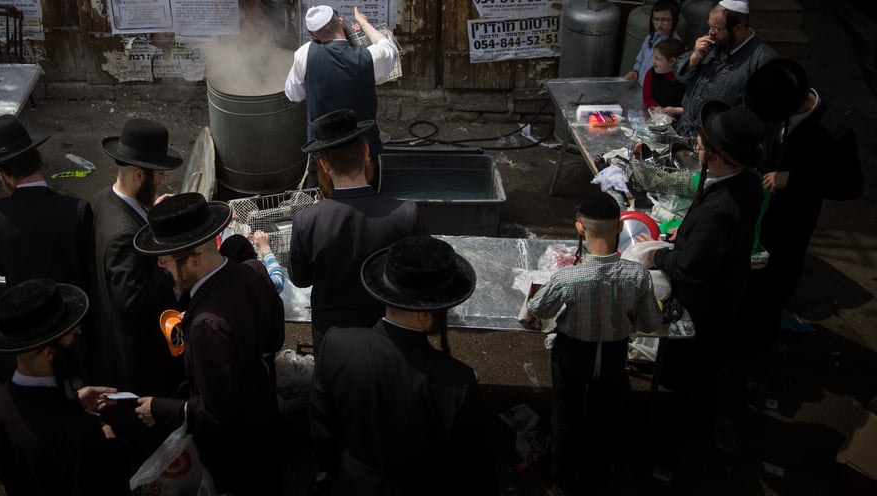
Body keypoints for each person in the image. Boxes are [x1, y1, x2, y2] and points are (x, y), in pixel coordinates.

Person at [310, 235, 497, 495]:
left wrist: (338, 468)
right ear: (425, 314)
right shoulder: (457, 381)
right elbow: (470, 467)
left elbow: (323, 429)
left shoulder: (336, 345)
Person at [133, 193, 286, 496]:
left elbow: (215, 414)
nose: (162, 269)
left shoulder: (206, 325)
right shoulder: (253, 272)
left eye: (165, 261)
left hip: (236, 452)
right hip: (265, 418)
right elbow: (273, 340)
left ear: (193, 259)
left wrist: (158, 408)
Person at [527, 191, 663, 496]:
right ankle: (601, 474)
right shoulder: (639, 276)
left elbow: (539, 310)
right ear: (620, 227)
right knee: (607, 414)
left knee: (565, 414)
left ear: (579, 228)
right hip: (614, 355)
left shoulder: (568, 277)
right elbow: (650, 324)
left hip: (573, 354)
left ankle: (562, 479)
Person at [647, 101, 765, 431]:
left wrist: (656, 255)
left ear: (715, 154)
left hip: (705, 300)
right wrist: (683, 236)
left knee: (693, 363)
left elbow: (689, 267)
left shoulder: (721, 209)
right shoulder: (746, 182)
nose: (696, 144)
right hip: (725, 282)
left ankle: (685, 422)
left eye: (700, 143)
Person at [742, 59, 864, 350]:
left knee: (775, 282)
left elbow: (850, 187)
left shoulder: (834, 131)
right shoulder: (777, 104)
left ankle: (761, 341)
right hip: (761, 210)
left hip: (792, 222)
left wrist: (793, 179)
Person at [0, 278, 130, 495]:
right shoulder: (82, 435)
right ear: (49, 353)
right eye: (71, 334)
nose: (79, 333)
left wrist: (70, 403)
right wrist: (110, 444)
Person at [88, 119, 185, 458]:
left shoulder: (104, 199)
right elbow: (132, 300)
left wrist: (154, 216)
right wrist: (169, 265)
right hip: (135, 358)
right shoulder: (122, 234)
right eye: (158, 175)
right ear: (139, 175)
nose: (162, 181)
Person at [290, 109, 425, 351]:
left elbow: (300, 280)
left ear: (324, 165)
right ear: (366, 153)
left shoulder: (306, 221)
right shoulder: (407, 215)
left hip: (333, 339)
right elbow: (423, 276)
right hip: (391, 338)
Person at [0, 115, 95, 291]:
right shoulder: (77, 210)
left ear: (5, 174)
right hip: (72, 310)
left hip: (23, 310)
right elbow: (89, 266)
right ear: (38, 159)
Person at [284, 5, 398, 187]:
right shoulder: (368, 57)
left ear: (314, 36)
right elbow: (388, 47)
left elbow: (293, 94)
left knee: (323, 206)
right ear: (341, 22)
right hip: (363, 151)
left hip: (323, 152)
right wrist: (363, 23)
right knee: (368, 206)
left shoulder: (305, 53)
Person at [673, 0, 777, 136]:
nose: (710, 33)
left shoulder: (761, 60)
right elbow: (679, 75)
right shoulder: (712, 44)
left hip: (717, 142)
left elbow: (756, 114)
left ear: (738, 28)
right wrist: (695, 57)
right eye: (709, 26)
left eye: (716, 29)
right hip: (686, 131)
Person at [625, 0, 681, 82]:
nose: (659, 24)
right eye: (656, 19)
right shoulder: (650, 38)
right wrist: (636, 72)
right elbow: (640, 60)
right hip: (640, 87)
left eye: (664, 20)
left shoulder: (676, 46)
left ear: (675, 20)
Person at [221, 231, 286, 294]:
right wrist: (265, 248)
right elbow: (278, 281)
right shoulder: (256, 285)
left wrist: (241, 242)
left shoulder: (220, 285)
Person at [642, 38, 688, 116]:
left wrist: (676, 111)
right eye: (654, 57)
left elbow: (692, 108)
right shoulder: (651, 73)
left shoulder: (686, 80)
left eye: (658, 59)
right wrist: (661, 112)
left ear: (672, 61)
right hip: (656, 116)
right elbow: (648, 99)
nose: (653, 62)